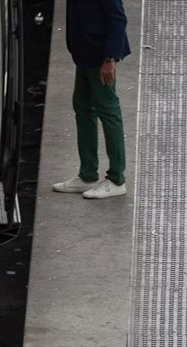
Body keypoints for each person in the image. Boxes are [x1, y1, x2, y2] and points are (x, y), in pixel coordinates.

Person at [52, 0, 131, 200]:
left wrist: (110, 58)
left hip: (100, 55)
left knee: (108, 111)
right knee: (82, 106)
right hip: (84, 52)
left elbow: (117, 17)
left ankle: (116, 179)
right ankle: (87, 174)